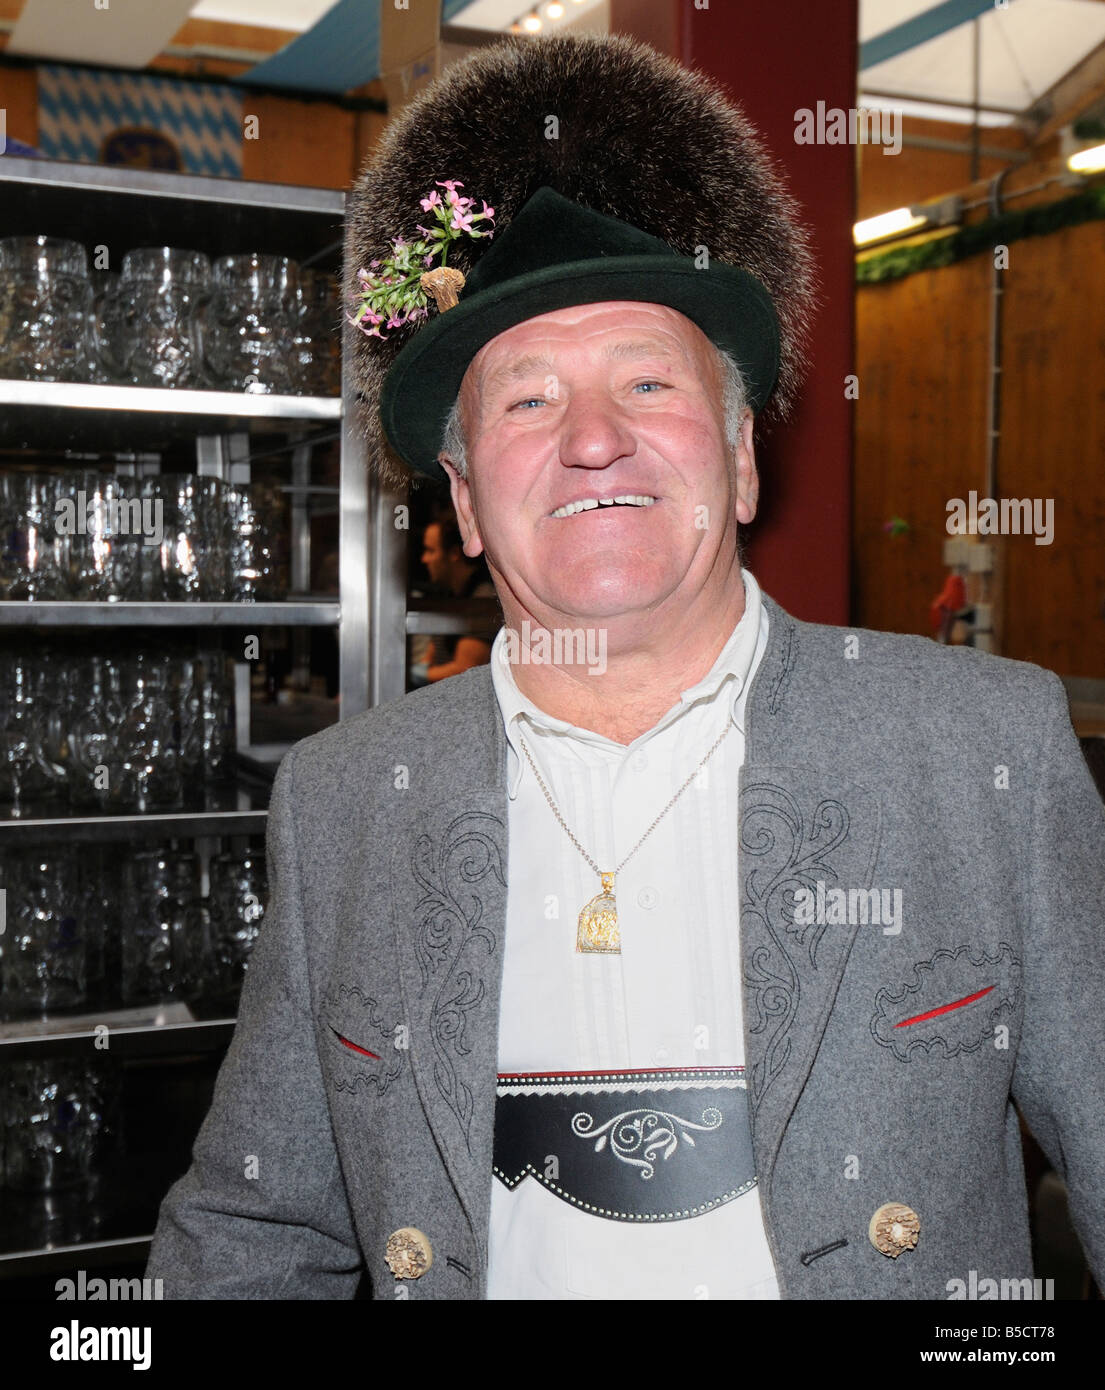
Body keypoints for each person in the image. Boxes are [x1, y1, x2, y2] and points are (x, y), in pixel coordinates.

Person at [147, 33, 1104, 1300]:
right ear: (465, 502)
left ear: (741, 460)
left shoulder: (982, 750)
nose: (594, 439)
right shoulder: (344, 805)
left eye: (648, 382)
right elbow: (249, 1232)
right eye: (527, 399)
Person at [419, 510, 497, 682]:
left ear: (454, 553)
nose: (424, 559)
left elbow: (465, 669)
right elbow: (432, 656)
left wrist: (417, 675)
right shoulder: (448, 595)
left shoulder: (482, 596)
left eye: (431, 551)